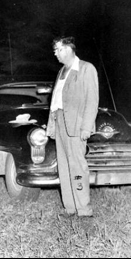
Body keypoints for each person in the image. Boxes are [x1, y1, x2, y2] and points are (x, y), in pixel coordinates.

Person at [46, 36, 99, 217]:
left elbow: (92, 100)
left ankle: (83, 210)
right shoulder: (61, 71)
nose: (56, 53)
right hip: (60, 122)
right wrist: (52, 124)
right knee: (64, 166)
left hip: (76, 125)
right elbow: (56, 100)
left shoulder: (86, 68)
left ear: (69, 49)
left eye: (58, 49)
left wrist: (86, 127)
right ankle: (70, 208)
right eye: (55, 50)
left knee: (77, 167)